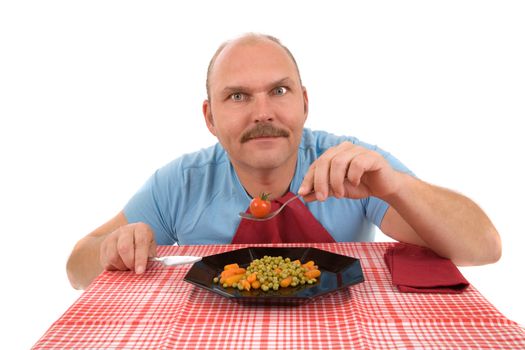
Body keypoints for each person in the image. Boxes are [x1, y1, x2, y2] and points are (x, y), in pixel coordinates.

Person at [67, 33, 501, 290]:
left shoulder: (351, 165)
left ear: (305, 102)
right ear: (210, 118)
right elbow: (76, 267)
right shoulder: (179, 183)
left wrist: (397, 188)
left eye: (279, 91)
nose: (263, 113)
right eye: (238, 96)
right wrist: (116, 248)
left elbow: (483, 247)